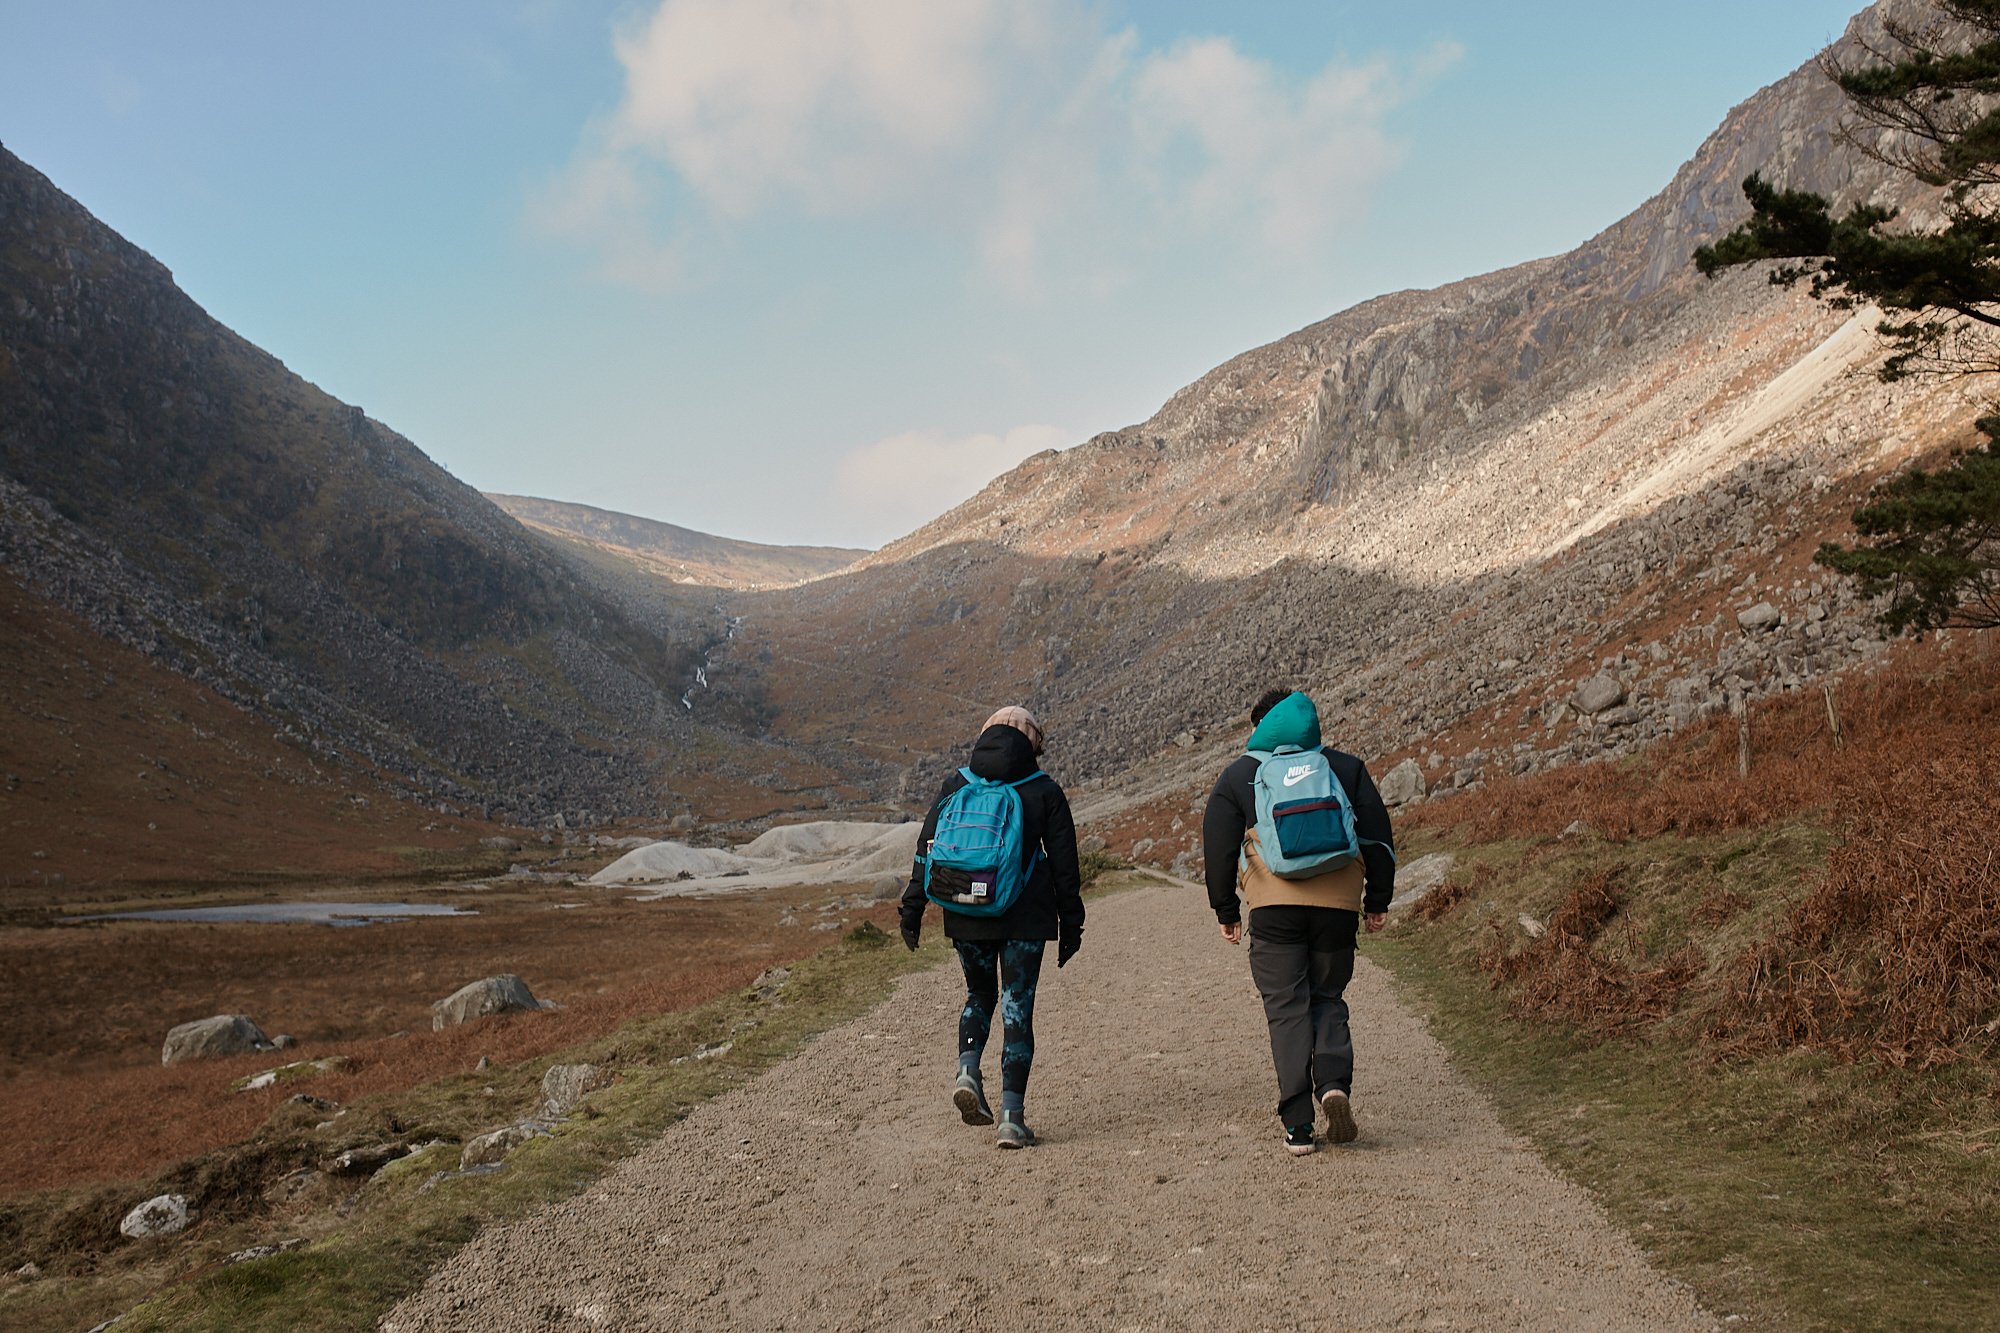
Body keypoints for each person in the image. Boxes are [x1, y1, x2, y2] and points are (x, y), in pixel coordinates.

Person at [1202, 687, 1395, 1155]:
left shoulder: (1241, 775)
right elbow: (1378, 838)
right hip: (1336, 909)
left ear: (1262, 728)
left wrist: (1226, 910)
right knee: (1328, 995)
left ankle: (1299, 1125)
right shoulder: (1344, 768)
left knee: (1287, 1008)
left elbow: (1218, 847)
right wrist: (1377, 900)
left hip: (1274, 910)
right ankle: (1333, 1084)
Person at [900, 706, 1084, 1148]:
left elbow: (927, 849)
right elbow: (1065, 866)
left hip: (964, 910)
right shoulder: (1044, 790)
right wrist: (1071, 923)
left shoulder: (956, 784)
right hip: (1025, 916)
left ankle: (967, 1070)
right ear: (1033, 742)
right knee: (1016, 1005)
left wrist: (912, 908)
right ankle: (1011, 1119)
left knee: (978, 995)